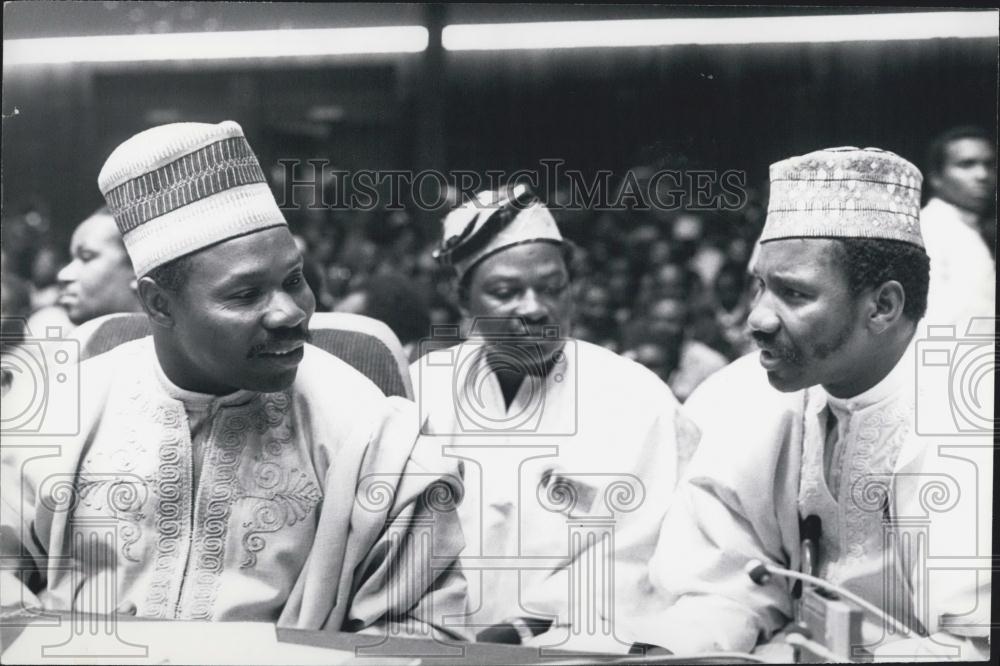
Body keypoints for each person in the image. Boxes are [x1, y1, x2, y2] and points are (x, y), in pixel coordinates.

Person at [1, 121, 467, 637]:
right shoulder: (61, 411)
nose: (291, 312)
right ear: (158, 303)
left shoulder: (371, 432)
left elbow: (431, 629)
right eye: (245, 296)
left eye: (294, 280)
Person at [647, 147, 991, 660]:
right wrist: (675, 651)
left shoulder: (972, 418)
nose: (757, 319)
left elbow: (975, 643)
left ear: (883, 306)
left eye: (794, 294)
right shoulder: (742, 397)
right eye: (759, 287)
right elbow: (722, 587)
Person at [412, 184, 697, 651]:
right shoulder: (424, 389)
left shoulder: (637, 399)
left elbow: (649, 554)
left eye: (551, 288)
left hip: (580, 647)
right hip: (439, 646)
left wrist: (528, 626)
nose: (534, 308)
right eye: (505, 292)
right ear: (463, 301)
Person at [920, 126, 996, 328]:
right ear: (936, 177)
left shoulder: (974, 230)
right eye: (966, 164)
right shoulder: (929, 228)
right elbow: (929, 320)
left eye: (990, 165)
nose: (982, 175)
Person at [623, 296, 728, 402]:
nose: (661, 328)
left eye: (671, 321)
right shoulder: (630, 361)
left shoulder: (710, 364)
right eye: (656, 320)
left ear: (687, 328)